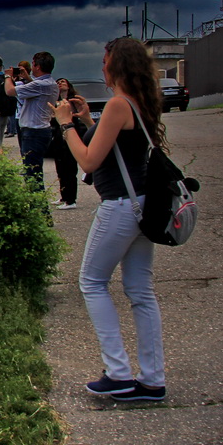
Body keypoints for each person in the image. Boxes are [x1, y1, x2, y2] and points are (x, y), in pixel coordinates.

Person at [51, 37, 168, 401]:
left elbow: (87, 160)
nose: (102, 68)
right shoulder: (140, 102)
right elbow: (119, 146)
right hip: (144, 205)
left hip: (119, 206)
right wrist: (87, 119)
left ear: (117, 66)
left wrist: (67, 124)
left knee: (92, 282)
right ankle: (152, 380)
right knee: (140, 293)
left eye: (105, 62)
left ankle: (118, 372)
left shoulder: (118, 104)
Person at [4, 52, 58, 192]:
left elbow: (10, 91)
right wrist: (27, 78)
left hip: (33, 132)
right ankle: (39, 206)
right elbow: (36, 86)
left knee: (32, 174)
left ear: (38, 66)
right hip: (42, 130)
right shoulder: (51, 83)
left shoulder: (39, 85)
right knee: (35, 171)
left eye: (33, 64)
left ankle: (39, 208)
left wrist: (8, 76)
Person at [49, 78, 80, 210]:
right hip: (58, 136)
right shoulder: (55, 102)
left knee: (70, 169)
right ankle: (64, 196)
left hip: (71, 135)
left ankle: (71, 200)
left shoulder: (73, 101)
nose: (60, 84)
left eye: (63, 82)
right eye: (58, 82)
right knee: (60, 168)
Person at [5, 60, 31, 139]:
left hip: (20, 115)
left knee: (23, 142)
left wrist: (8, 76)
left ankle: (11, 131)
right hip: (28, 115)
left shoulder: (20, 84)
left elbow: (8, 89)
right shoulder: (33, 82)